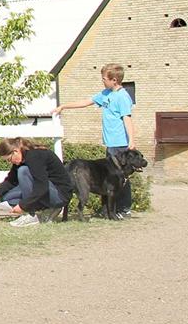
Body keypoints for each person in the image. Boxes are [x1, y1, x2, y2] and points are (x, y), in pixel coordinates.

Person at [53, 63, 137, 219]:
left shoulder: (122, 97)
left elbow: (127, 118)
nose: (102, 81)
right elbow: (86, 102)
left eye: (104, 79)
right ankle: (107, 210)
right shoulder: (105, 94)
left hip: (120, 143)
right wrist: (64, 106)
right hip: (110, 143)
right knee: (108, 178)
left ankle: (124, 208)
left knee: (121, 177)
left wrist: (131, 140)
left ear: (114, 80)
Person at [0, 138, 72, 227]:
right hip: (45, 191)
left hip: (59, 195)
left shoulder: (35, 156)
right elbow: (11, 180)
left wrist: (24, 206)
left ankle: (31, 214)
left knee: (23, 171)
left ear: (15, 151)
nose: (10, 162)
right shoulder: (22, 158)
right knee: (8, 198)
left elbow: (42, 186)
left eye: (9, 159)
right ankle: (45, 209)